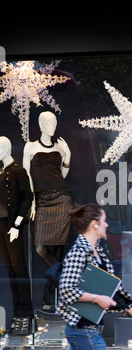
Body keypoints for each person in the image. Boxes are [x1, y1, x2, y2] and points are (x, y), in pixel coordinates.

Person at [42, 203, 132, 350]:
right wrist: (95, 298)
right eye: (104, 221)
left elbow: (110, 291)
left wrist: (128, 307)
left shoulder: (97, 251)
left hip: (83, 330)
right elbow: (66, 289)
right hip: (85, 331)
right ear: (94, 224)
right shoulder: (78, 252)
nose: (107, 225)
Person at [23, 111, 72, 309]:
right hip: (42, 201)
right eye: (48, 122)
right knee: (40, 248)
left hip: (61, 198)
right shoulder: (30, 147)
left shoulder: (60, 147)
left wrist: (67, 154)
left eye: (54, 122)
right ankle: (66, 284)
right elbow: (27, 176)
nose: (52, 125)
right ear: (41, 125)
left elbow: (63, 174)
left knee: (58, 251)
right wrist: (32, 201)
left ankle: (48, 298)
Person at [0, 137, 34, 331]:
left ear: (6, 149)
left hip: (13, 225)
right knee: (11, 271)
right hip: (1, 225)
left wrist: (17, 225)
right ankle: (17, 314)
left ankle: (26, 315)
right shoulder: (1, 172)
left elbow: (27, 198)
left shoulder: (18, 171)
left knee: (19, 269)